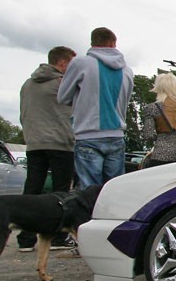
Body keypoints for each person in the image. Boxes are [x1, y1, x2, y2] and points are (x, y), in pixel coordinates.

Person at [16, 46, 78, 252]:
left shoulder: (27, 84)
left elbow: (23, 112)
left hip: (34, 142)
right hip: (60, 142)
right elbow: (75, 110)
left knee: (32, 189)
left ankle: (25, 239)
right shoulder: (62, 84)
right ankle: (58, 237)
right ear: (62, 63)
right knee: (61, 192)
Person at [57, 27, 135, 187]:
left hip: (88, 134)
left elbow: (63, 97)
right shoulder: (127, 70)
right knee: (113, 188)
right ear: (113, 44)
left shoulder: (80, 63)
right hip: (116, 134)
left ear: (93, 43)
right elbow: (125, 101)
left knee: (89, 191)